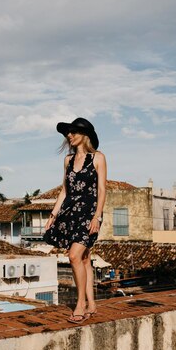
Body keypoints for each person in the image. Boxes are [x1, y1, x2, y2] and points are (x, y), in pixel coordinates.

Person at [43, 117, 107, 324]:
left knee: (73, 256)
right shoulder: (68, 160)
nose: (69, 135)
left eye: (73, 132)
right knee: (84, 258)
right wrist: (53, 215)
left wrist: (97, 216)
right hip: (70, 213)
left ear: (85, 135)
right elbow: (65, 190)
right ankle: (92, 303)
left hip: (89, 214)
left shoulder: (98, 158)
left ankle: (79, 304)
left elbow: (102, 189)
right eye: (67, 133)